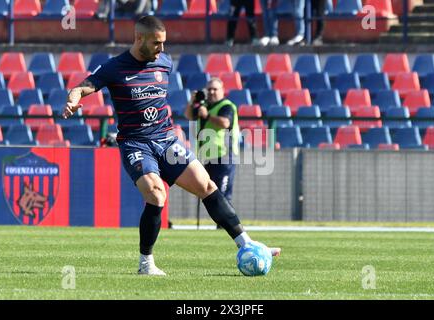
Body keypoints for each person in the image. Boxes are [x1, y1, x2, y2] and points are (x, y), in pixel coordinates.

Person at [62, 15, 280, 276]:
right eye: (156, 43)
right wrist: (73, 99)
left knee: (207, 186)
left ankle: (247, 244)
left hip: (166, 139)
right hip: (136, 143)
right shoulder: (115, 67)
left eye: (164, 43)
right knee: (156, 194)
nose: (162, 49)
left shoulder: (164, 62)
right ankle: (146, 263)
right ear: (139, 38)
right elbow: (84, 86)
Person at [184, 78, 240, 223]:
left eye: (215, 89)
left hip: (224, 156)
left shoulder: (227, 106)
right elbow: (189, 115)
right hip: (208, 156)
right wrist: (192, 101)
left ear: (222, 90)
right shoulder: (204, 106)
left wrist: (207, 115)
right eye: (209, 89)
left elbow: (225, 122)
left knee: (222, 194)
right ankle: (222, 225)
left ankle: (227, 226)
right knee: (211, 193)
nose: (211, 92)